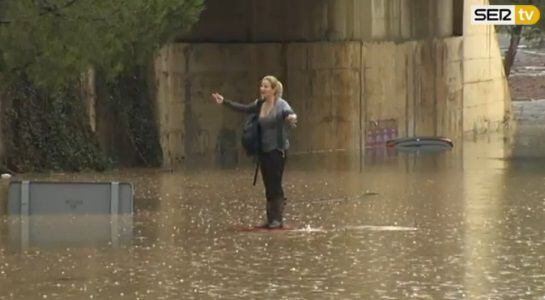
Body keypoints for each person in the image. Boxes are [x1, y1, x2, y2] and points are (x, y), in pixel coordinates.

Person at [212, 75, 297, 229]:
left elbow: (289, 114)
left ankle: (277, 219)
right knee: (267, 184)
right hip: (263, 151)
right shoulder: (260, 104)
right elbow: (244, 108)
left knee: (275, 184)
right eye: (261, 86)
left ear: (273, 90)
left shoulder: (281, 104)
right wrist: (224, 102)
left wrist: (291, 118)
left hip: (278, 150)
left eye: (265, 87)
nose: (262, 89)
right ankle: (270, 219)